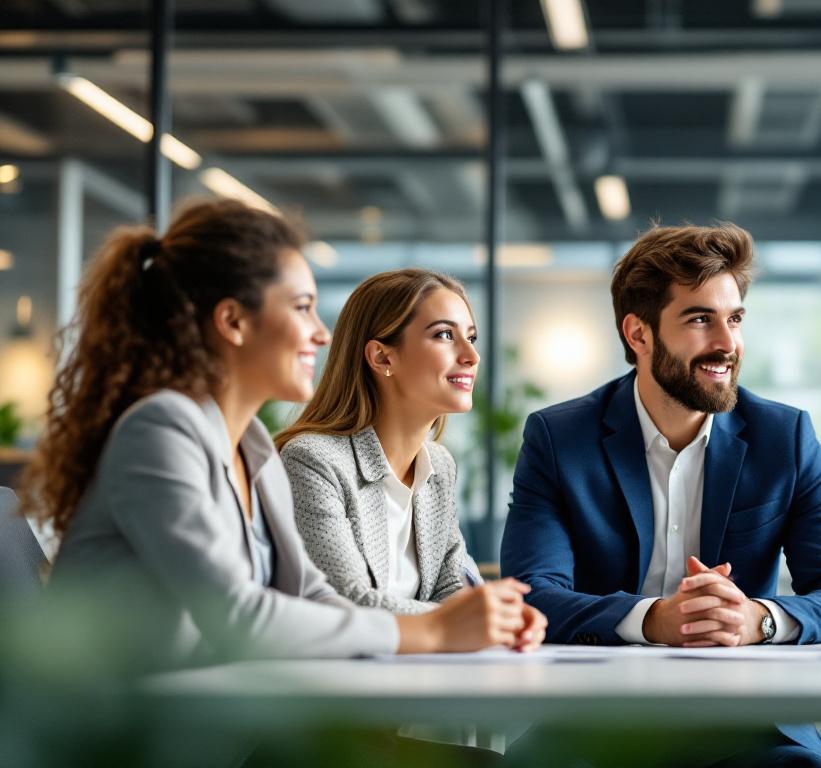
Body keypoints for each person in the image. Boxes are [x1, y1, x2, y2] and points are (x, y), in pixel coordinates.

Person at [28, 200, 539, 672]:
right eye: (301, 307)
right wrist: (432, 630)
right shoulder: (160, 430)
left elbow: (311, 596)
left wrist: (468, 622)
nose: (321, 332)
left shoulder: (252, 445)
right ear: (233, 321)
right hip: (123, 739)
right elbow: (239, 617)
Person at [501, 222, 821, 767]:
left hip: (750, 725)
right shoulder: (560, 439)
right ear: (639, 334)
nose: (727, 344)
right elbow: (532, 594)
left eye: (735, 318)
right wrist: (653, 619)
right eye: (700, 319)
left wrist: (758, 620)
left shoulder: (784, 438)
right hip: (594, 721)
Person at [276, 269, 541, 645]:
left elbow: (451, 584)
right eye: (445, 335)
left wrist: (501, 617)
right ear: (382, 356)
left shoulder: (439, 465)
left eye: (471, 337)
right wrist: (475, 618)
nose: (471, 356)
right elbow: (346, 604)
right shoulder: (312, 461)